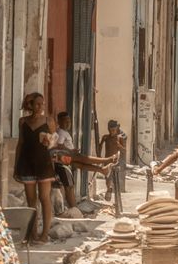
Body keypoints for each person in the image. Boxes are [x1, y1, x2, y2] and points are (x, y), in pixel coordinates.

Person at [13, 91, 56, 242]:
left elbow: (54, 142)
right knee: (31, 201)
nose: (40, 107)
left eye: (42, 104)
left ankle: (44, 233)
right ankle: (33, 233)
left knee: (44, 198)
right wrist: (16, 166)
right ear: (30, 105)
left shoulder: (48, 121)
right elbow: (21, 143)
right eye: (37, 104)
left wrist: (49, 142)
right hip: (26, 163)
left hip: (44, 163)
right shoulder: (22, 122)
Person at [51, 112, 115, 209]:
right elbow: (60, 146)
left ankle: (102, 170)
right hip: (65, 157)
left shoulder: (64, 132)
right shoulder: (61, 132)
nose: (68, 123)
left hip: (67, 157)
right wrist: (71, 151)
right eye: (65, 121)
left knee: (81, 165)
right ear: (59, 122)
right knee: (85, 159)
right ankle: (108, 159)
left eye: (69, 121)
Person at [98, 120, 127, 199]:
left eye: (113, 130)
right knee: (107, 176)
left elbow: (124, 150)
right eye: (110, 130)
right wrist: (99, 157)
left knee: (113, 177)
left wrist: (119, 146)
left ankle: (114, 194)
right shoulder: (106, 137)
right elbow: (99, 147)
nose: (112, 132)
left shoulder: (119, 137)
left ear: (116, 129)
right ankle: (109, 189)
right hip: (107, 160)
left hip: (115, 161)